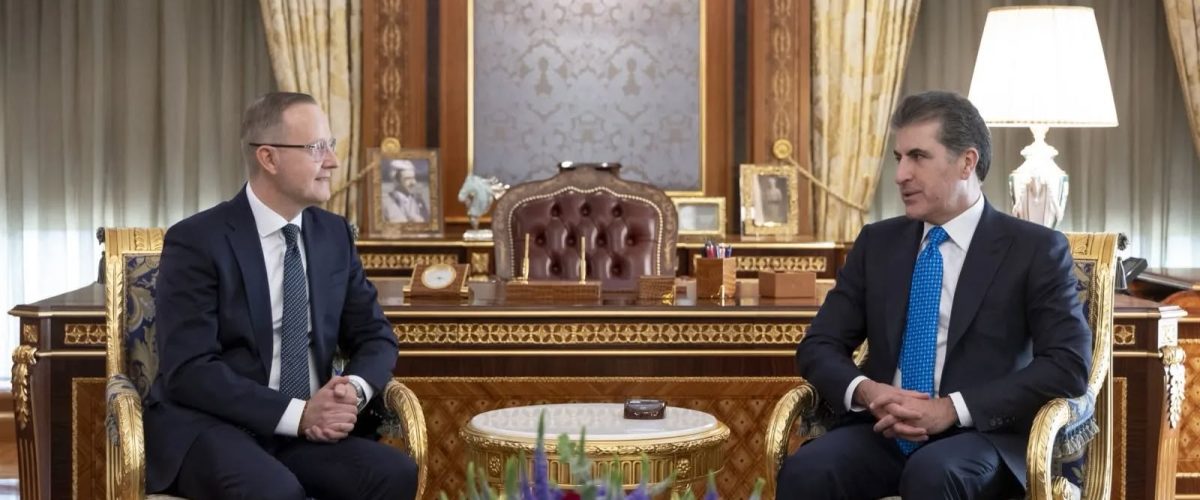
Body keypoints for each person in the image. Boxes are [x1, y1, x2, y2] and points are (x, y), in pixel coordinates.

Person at [776, 90, 1092, 499]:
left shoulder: (1034, 249)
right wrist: (869, 392)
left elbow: (1067, 365)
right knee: (807, 470)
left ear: (967, 162)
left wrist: (950, 408)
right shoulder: (878, 243)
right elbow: (818, 345)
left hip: (980, 435)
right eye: (899, 158)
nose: (900, 174)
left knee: (932, 474)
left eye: (918, 157)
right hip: (883, 430)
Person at [145, 92, 418, 500]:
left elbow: (375, 336)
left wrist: (352, 391)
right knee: (275, 492)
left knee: (394, 473)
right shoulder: (197, 240)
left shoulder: (334, 235)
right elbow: (190, 369)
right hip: (213, 426)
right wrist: (298, 414)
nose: (333, 161)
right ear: (268, 158)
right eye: (316, 147)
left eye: (330, 145)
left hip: (304, 434)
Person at [382, 159, 430, 223]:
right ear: (396, 181)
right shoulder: (386, 201)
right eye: (408, 178)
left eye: (413, 178)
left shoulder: (419, 200)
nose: (414, 182)